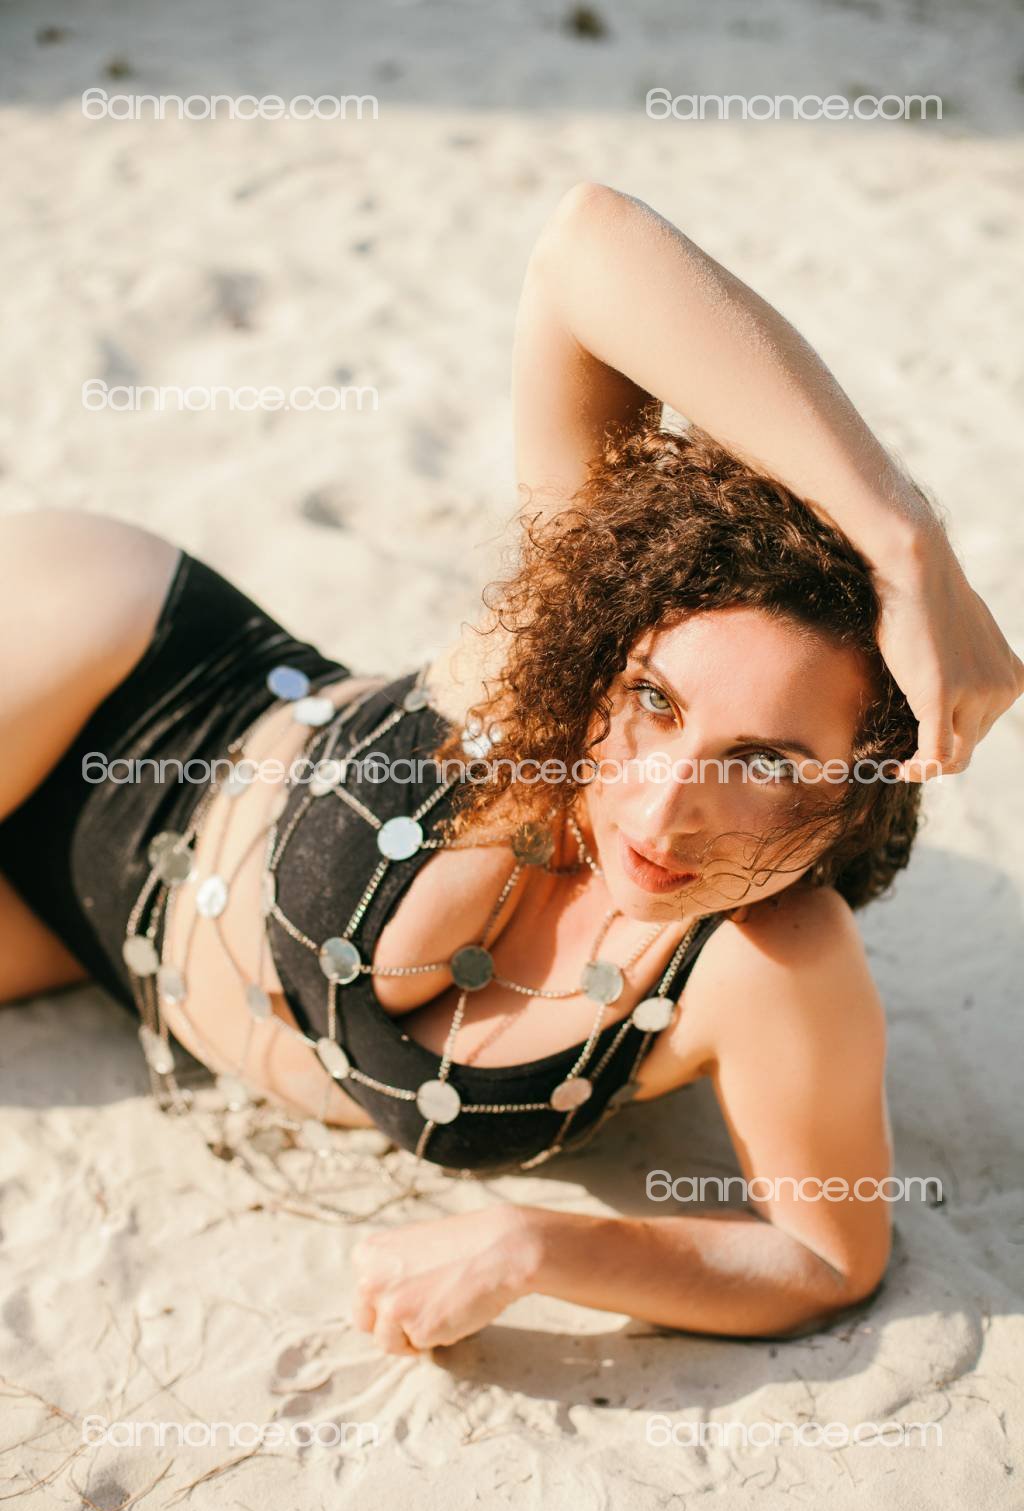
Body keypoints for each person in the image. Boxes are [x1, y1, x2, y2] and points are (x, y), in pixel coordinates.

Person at [0, 183, 1019, 1359]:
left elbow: (827, 1255)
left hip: (78, 929)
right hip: (118, 666)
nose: (661, 809)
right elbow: (588, 246)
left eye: (764, 763)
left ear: (860, 786)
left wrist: (538, 1246)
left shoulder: (773, 967)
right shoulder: (539, 677)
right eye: (655, 701)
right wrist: (902, 540)